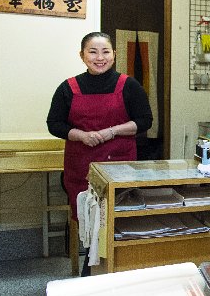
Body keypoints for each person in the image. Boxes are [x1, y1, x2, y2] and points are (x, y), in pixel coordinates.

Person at [47, 32, 152, 274]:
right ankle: (94, 266)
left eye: (105, 52)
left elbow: (145, 121)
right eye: (93, 52)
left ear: (114, 55)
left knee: (117, 219)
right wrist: (82, 135)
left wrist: (113, 131)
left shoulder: (129, 85)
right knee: (88, 218)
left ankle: (106, 269)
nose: (100, 57)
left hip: (120, 166)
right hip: (81, 166)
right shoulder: (68, 88)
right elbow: (54, 124)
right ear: (82, 55)